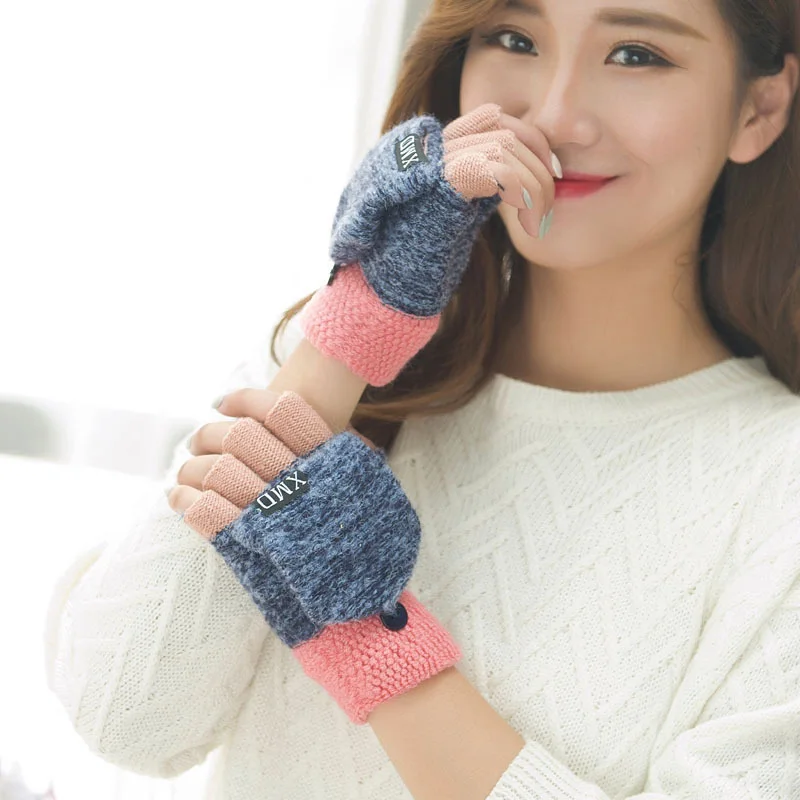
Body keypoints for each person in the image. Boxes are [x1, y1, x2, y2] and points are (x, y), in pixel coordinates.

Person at [45, 0, 800, 798]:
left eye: (637, 54)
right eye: (514, 38)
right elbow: (124, 715)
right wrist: (360, 321)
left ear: (758, 108)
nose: (554, 116)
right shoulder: (332, 366)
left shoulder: (776, 487)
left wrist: (371, 635)